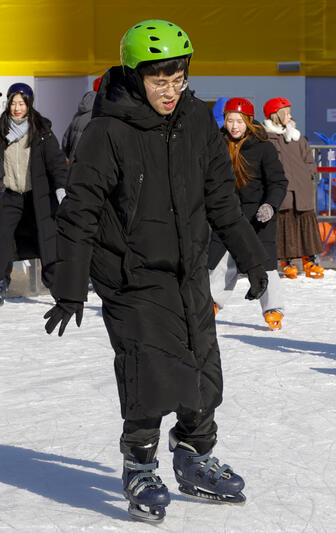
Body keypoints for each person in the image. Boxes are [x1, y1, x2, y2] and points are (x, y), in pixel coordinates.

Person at [43, 20, 269, 523]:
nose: (170, 90)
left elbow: (221, 201)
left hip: (187, 268)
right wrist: (69, 287)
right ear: (135, 75)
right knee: (151, 371)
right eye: (159, 80)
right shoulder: (108, 131)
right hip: (129, 274)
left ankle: (194, 455)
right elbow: (79, 211)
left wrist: (251, 258)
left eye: (178, 78)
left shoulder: (196, 123)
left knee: (203, 368)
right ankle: (139, 465)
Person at [208, 97, 288, 329]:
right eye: (230, 120)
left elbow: (278, 182)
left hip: (258, 217)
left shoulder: (263, 147)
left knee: (264, 263)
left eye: (239, 121)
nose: (234, 126)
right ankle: (211, 302)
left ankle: (272, 309)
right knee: (224, 260)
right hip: (227, 213)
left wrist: (270, 205)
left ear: (249, 122)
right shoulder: (217, 145)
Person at [0, 82, 68, 305]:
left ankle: (57, 285)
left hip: (37, 195)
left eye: (22, 103)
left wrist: (61, 188)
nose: (17, 107)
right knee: (2, 236)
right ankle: (1, 281)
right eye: (13, 103)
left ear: (29, 104)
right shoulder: (1, 130)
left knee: (47, 239)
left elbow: (56, 162)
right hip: (10, 195)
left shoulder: (41, 130)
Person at [262, 97, 325, 279]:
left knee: (306, 226)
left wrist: (309, 173)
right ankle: (286, 262)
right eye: (286, 113)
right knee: (286, 227)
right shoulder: (268, 138)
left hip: (303, 188)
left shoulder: (297, 137)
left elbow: (309, 159)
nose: (290, 116)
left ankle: (310, 261)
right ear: (276, 116)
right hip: (284, 191)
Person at [61, 76, 102, 163]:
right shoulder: (100, 114)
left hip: (75, 166)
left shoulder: (80, 113)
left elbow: (65, 142)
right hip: (90, 168)